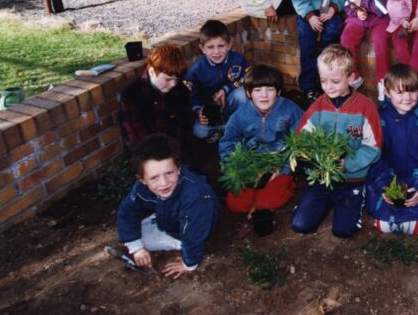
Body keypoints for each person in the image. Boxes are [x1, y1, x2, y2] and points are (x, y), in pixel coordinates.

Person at [290, 44, 382, 238]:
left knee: (343, 230)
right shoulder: (317, 108)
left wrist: (346, 163)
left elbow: (373, 147)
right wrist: (310, 159)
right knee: (300, 225)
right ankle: (316, 202)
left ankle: (358, 196)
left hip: (352, 179)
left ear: (350, 78)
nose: (328, 87)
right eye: (323, 81)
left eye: (335, 81)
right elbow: (300, 140)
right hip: (322, 177)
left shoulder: (365, 107)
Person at [116, 134, 220, 279]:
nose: (164, 183)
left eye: (169, 173)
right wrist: (136, 248)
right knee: (132, 237)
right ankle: (159, 223)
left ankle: (177, 242)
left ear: (178, 168)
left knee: (146, 239)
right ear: (142, 180)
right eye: (154, 178)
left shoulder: (194, 194)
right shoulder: (141, 188)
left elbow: (193, 232)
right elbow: (127, 212)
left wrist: (189, 263)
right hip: (171, 214)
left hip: (196, 220)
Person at [218, 65, 303, 236]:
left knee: (268, 201)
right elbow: (228, 142)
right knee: (237, 204)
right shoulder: (240, 115)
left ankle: (288, 181)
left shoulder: (290, 110)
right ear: (248, 93)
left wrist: (283, 169)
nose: (264, 95)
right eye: (257, 90)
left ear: (279, 92)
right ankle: (254, 198)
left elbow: (301, 141)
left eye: (270, 89)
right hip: (251, 162)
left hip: (279, 162)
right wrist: (238, 166)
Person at [365, 64, 418, 235]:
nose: (407, 97)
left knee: (412, 228)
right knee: (385, 225)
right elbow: (376, 158)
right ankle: (389, 211)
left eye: (412, 91)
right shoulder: (379, 120)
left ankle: (412, 212)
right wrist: (383, 186)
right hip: (389, 179)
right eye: (399, 92)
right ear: (387, 93)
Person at [184, 20, 250, 142]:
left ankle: (237, 127)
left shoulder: (238, 59)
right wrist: (199, 110)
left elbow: (248, 78)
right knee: (199, 132)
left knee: (241, 94)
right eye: (210, 47)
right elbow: (191, 96)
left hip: (230, 104)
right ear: (202, 48)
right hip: (211, 111)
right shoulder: (195, 71)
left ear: (229, 45)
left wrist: (226, 89)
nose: (216, 52)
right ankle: (223, 129)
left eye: (221, 46)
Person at [118, 44, 193, 147]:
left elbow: (185, 127)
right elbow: (133, 137)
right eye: (168, 79)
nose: (173, 84)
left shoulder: (181, 90)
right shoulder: (132, 94)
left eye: (176, 79)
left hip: (176, 151)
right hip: (147, 154)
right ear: (152, 72)